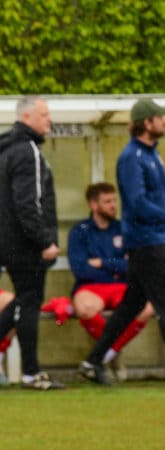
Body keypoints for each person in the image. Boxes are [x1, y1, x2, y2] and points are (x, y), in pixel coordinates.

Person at [78, 98, 165, 387]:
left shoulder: (151, 154)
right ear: (146, 123)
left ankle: (92, 361)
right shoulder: (131, 157)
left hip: (148, 241)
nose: (164, 121)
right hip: (146, 243)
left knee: (130, 307)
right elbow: (137, 204)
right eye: (159, 118)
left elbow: (153, 193)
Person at [0, 95, 64, 390]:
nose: (49, 119)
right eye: (44, 114)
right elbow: (30, 204)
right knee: (28, 304)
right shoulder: (28, 152)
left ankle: (30, 371)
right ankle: (31, 372)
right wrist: (44, 241)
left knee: (20, 303)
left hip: (8, 241)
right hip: (25, 244)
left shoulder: (6, 150)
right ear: (26, 118)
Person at [67, 182, 154, 381]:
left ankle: (105, 354)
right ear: (93, 205)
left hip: (122, 285)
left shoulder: (124, 229)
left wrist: (102, 263)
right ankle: (113, 353)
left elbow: (132, 265)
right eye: (107, 201)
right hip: (91, 286)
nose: (113, 205)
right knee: (85, 308)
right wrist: (114, 267)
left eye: (114, 200)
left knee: (146, 308)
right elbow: (80, 269)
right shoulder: (79, 231)